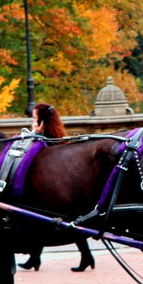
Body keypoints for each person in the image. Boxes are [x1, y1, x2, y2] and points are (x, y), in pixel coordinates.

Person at [18, 103, 95, 273]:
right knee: (45, 222)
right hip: (56, 191)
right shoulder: (56, 138)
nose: (32, 124)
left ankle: (84, 256)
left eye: (34, 120)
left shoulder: (46, 143)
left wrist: (35, 134)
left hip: (53, 192)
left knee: (50, 221)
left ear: (42, 123)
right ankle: (35, 258)